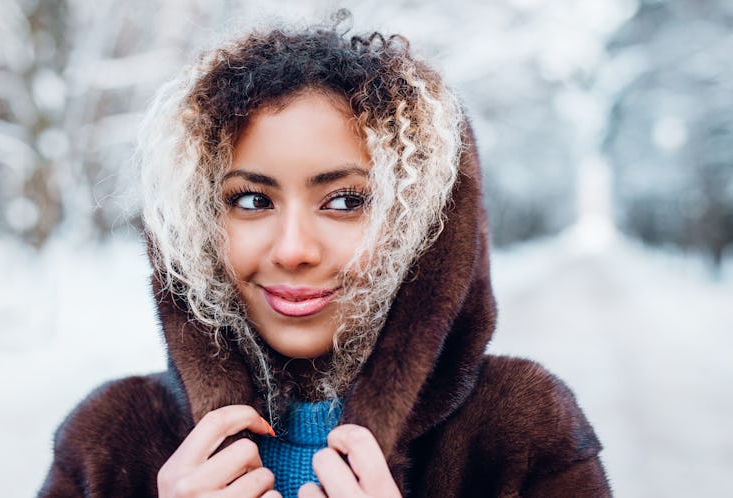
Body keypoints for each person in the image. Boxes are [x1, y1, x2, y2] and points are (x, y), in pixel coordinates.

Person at [38, 17, 611, 498]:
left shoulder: (523, 433)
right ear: (198, 223)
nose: (292, 250)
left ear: (421, 223)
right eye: (253, 200)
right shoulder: (109, 440)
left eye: (344, 201)